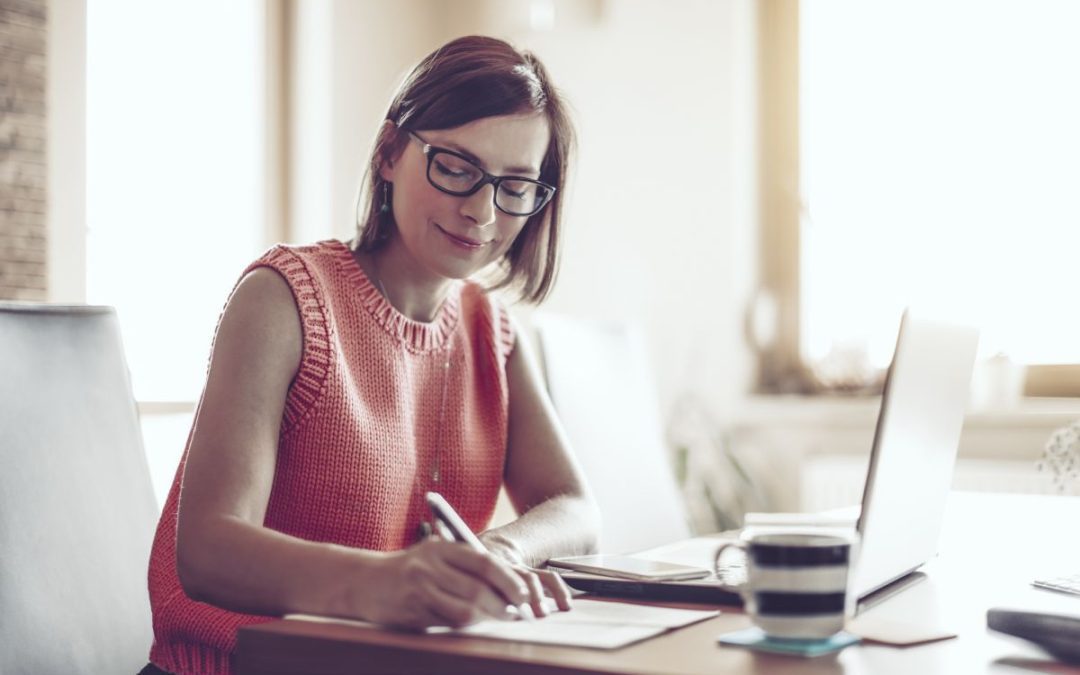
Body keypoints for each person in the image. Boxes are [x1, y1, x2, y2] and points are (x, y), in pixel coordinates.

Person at [141, 35, 601, 675]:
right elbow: (207, 551)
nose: (481, 210)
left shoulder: (490, 330)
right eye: (456, 168)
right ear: (389, 153)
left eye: (516, 185)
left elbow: (574, 508)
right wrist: (387, 583)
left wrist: (503, 551)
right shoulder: (285, 298)